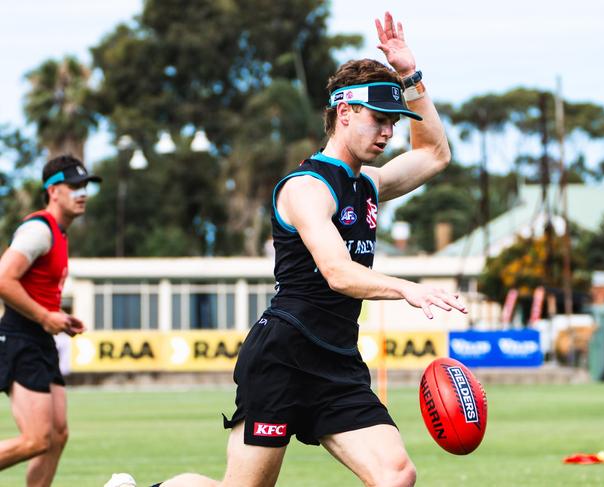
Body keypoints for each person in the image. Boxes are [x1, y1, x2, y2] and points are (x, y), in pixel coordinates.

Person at [111, 11, 466, 487]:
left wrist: (410, 77)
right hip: (282, 355)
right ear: (345, 113)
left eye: (393, 124)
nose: (388, 134)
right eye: (380, 121)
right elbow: (337, 272)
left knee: (397, 475)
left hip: (337, 359)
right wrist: (406, 288)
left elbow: (435, 154)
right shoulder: (307, 187)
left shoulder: (370, 184)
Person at [0, 154, 101, 486]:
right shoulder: (38, 230)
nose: (81, 193)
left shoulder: (60, 234)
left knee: (57, 436)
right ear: (53, 191)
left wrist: (59, 319)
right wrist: (44, 316)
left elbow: (36, 289)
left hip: (40, 339)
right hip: (20, 338)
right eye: (73, 186)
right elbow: (3, 280)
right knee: (36, 440)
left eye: (85, 186)